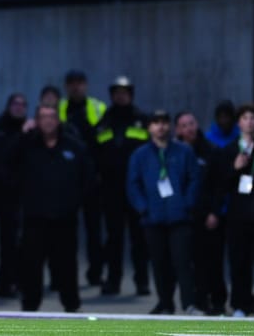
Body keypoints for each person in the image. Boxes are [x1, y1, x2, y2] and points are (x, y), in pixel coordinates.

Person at [14, 104, 92, 312]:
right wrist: (22, 136)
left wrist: (74, 202)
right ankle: (30, 307)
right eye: (43, 117)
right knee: (32, 265)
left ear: (58, 120)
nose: (48, 121)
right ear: (37, 121)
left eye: (51, 116)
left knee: (67, 265)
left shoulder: (74, 146)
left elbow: (88, 178)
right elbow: (8, 166)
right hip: (35, 218)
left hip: (64, 219)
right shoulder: (27, 146)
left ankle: (71, 306)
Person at [127, 110, 202, 315]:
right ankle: (165, 303)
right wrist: (143, 208)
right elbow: (133, 184)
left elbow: (194, 178)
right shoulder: (140, 155)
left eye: (164, 122)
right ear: (149, 127)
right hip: (153, 217)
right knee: (159, 264)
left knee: (183, 262)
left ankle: (189, 304)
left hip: (180, 217)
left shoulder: (184, 151)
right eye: (156, 122)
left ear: (170, 126)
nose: (160, 126)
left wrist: (187, 204)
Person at [216, 103, 254, 318]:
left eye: (253, 118)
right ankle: (240, 305)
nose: (249, 122)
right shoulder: (230, 149)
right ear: (239, 123)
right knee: (239, 262)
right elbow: (221, 183)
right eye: (245, 118)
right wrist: (234, 168)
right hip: (238, 216)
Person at [94, 75, 150, 296]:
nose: (120, 96)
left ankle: (142, 281)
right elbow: (96, 154)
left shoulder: (142, 120)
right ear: (112, 96)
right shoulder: (104, 122)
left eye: (124, 93)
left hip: (136, 189)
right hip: (111, 190)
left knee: (139, 238)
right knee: (113, 238)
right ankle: (113, 280)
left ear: (131, 95)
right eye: (117, 93)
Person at [174, 111, 227, 315]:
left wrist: (215, 212)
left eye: (192, 123)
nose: (189, 128)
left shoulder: (211, 150)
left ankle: (218, 301)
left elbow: (219, 185)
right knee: (192, 261)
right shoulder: (173, 152)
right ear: (178, 130)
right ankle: (199, 301)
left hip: (208, 214)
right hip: (185, 215)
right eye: (184, 125)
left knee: (213, 260)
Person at [58, 69, 106, 286]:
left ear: (85, 85)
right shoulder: (59, 108)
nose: (76, 87)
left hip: (91, 177)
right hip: (67, 178)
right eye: (72, 83)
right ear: (66, 86)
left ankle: (95, 273)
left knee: (94, 229)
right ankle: (65, 274)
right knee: (65, 230)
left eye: (79, 83)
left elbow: (103, 142)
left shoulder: (98, 107)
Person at [0, 93, 28, 298]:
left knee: (12, 242)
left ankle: (9, 283)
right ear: (8, 106)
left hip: (16, 194)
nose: (19, 107)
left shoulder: (30, 131)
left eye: (22, 105)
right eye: (15, 104)